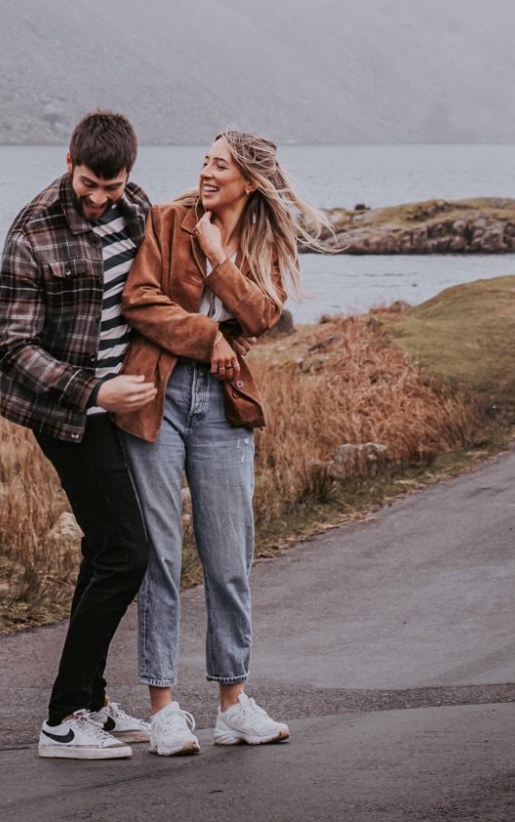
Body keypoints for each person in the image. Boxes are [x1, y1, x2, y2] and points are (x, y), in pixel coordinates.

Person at [112, 129, 327, 756]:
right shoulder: (167, 219)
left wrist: (219, 258)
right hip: (159, 395)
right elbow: (140, 302)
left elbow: (263, 316)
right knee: (161, 554)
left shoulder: (260, 239)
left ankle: (233, 704)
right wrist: (211, 337)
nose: (207, 172)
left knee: (230, 557)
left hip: (223, 406)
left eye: (220, 165)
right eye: (205, 161)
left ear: (249, 180)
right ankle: (165, 709)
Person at [0, 110, 158, 761]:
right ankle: (62, 718)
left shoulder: (136, 208)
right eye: (88, 183)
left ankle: (90, 702)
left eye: (110, 187)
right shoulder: (32, 231)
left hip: (117, 412)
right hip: (66, 418)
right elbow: (12, 346)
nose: (97, 198)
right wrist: (95, 390)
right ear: (70, 163)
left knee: (102, 550)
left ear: (128, 178)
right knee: (126, 554)